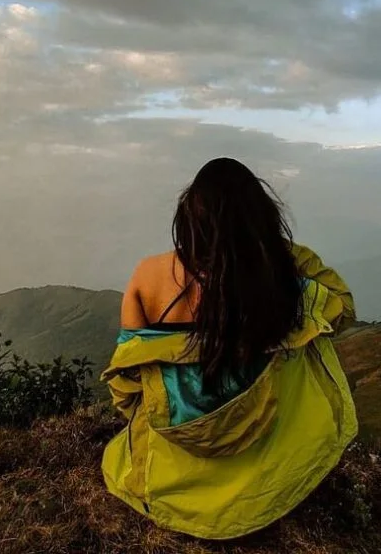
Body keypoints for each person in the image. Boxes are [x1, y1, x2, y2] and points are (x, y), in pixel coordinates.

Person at [100, 157, 358, 540]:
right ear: (261, 219)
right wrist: (281, 253)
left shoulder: (146, 278)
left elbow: (127, 390)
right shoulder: (276, 280)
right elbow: (342, 310)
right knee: (308, 337)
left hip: (175, 484)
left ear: (187, 216)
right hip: (272, 476)